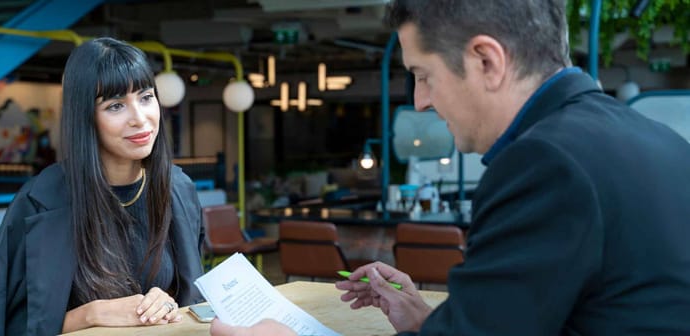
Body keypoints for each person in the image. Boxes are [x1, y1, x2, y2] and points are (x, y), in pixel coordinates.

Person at [211, 0, 690, 335]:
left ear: (486, 60)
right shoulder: (658, 139)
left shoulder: (543, 162)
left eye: (423, 75)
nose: (420, 102)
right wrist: (432, 321)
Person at [0, 37, 205, 335]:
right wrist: (92, 314)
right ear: (85, 117)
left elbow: (192, 299)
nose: (140, 119)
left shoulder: (177, 190)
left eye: (146, 97)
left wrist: (167, 303)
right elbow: (3, 325)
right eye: (116, 105)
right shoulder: (41, 202)